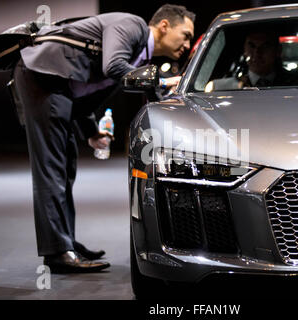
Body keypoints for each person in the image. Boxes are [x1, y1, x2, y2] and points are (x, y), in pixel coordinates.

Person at [13, 4, 195, 273]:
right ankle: (57, 251)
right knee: (52, 169)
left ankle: (65, 243)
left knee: (64, 168)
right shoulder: (132, 25)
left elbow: (85, 88)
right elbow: (112, 66)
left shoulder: (137, 57)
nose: (188, 43)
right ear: (165, 26)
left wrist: (91, 131)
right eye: (187, 34)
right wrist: (162, 81)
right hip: (43, 75)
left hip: (57, 83)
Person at [211, 31, 283, 90]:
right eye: (252, 46)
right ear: (244, 50)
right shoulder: (221, 88)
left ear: (278, 51)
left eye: (265, 46)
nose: (257, 52)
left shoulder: (292, 84)